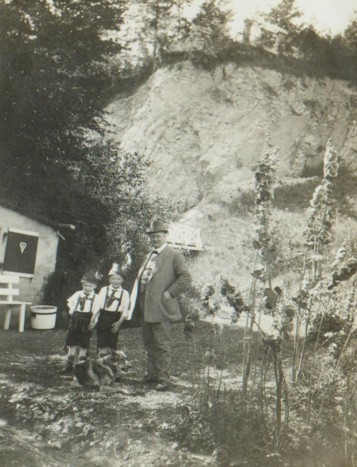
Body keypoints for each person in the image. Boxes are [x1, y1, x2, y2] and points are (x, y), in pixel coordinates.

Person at [126, 220, 191, 391]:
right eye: (152, 236)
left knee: (162, 343)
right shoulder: (148, 256)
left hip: (161, 307)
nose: (155, 239)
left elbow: (185, 277)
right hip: (145, 307)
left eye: (158, 236)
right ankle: (152, 374)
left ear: (165, 236)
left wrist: (170, 293)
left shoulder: (174, 255)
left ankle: (164, 378)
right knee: (149, 343)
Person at [62, 272, 100, 374]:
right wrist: (71, 310)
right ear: (82, 285)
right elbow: (71, 303)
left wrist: (93, 322)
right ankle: (69, 364)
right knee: (72, 341)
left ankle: (81, 366)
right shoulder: (78, 294)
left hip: (87, 320)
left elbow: (97, 311)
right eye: (85, 285)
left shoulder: (97, 297)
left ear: (95, 286)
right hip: (76, 319)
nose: (87, 288)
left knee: (84, 343)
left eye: (90, 286)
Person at [94, 263, 130, 358]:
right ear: (109, 279)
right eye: (113, 278)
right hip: (103, 317)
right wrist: (94, 319)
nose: (116, 281)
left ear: (122, 280)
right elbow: (98, 306)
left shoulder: (125, 293)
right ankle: (101, 359)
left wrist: (119, 322)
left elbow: (125, 310)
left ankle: (110, 361)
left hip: (115, 318)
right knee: (101, 340)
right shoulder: (104, 290)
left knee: (112, 341)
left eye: (118, 279)